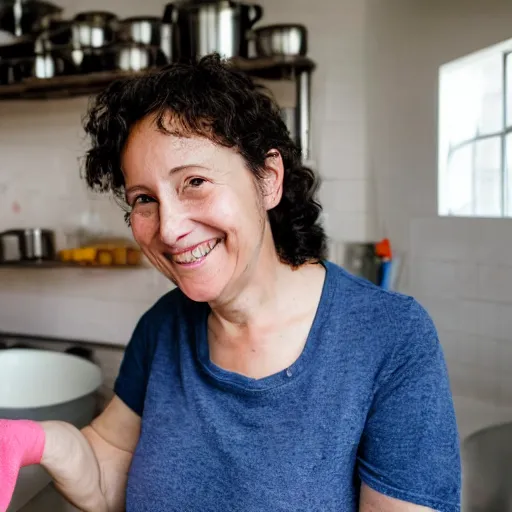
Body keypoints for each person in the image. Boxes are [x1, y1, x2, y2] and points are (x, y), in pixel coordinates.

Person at [0, 54, 461, 512]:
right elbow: (107, 467)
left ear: (268, 180)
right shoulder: (163, 326)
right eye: (144, 199)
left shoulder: (392, 339)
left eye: (194, 181)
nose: (168, 228)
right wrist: (35, 441)